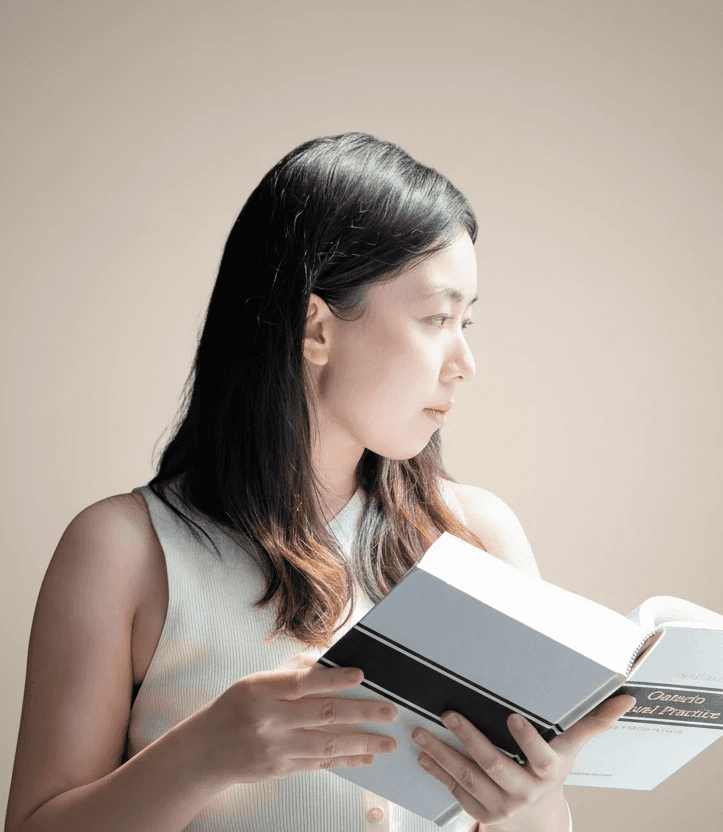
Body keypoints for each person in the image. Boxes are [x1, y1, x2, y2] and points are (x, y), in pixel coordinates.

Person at [5, 132, 633, 832]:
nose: (465, 362)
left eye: (467, 320)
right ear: (315, 328)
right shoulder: (122, 549)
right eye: (435, 318)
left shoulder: (478, 536)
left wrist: (536, 802)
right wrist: (204, 754)